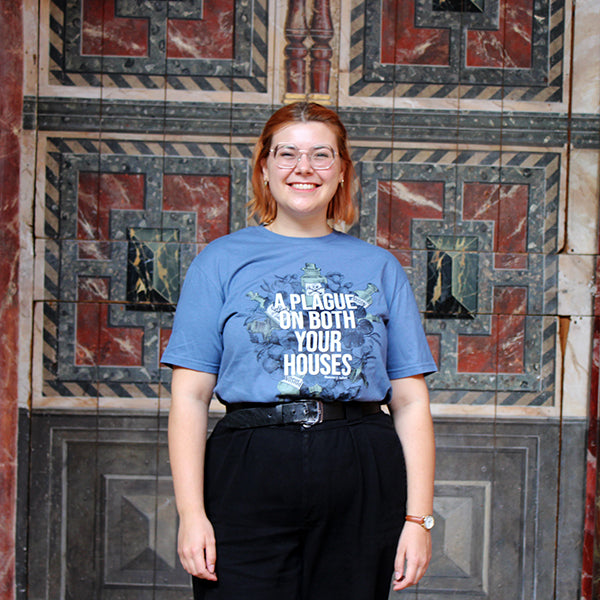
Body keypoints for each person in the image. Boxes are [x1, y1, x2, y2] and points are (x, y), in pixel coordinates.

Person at [161, 101, 437, 600]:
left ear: (342, 172)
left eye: (321, 156)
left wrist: (418, 519)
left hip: (359, 463)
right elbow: (189, 397)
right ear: (264, 169)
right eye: (287, 154)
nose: (303, 168)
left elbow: (411, 401)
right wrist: (191, 514)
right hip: (249, 463)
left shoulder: (379, 266)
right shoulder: (219, 261)